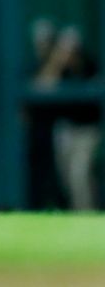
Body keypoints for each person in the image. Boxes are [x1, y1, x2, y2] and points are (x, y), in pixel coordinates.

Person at [29, 20, 100, 210]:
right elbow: (42, 88)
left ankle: (87, 216)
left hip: (87, 131)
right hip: (65, 130)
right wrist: (59, 61)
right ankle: (75, 212)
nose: (70, 52)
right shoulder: (59, 68)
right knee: (66, 178)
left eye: (72, 48)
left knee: (80, 174)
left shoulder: (90, 65)